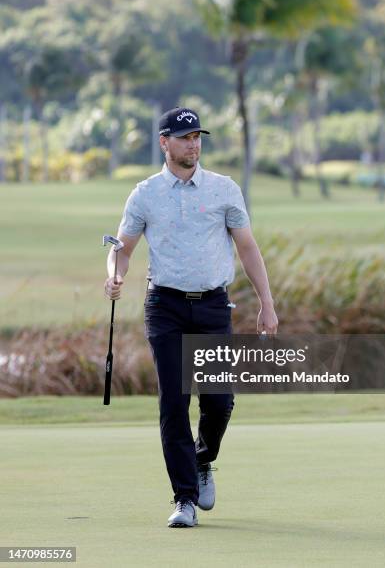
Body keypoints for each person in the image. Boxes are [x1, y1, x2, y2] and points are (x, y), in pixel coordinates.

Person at [104, 106, 278, 528]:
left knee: (218, 401)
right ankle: (183, 498)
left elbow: (248, 247)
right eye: (184, 138)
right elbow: (122, 249)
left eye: (197, 137)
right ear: (165, 142)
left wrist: (266, 303)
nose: (193, 144)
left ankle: (203, 460)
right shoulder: (145, 194)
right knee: (174, 404)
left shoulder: (223, 189)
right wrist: (114, 275)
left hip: (213, 306)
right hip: (164, 306)